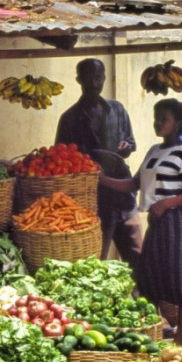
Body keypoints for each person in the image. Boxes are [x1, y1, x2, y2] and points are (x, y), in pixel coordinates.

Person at [100, 98, 182, 346]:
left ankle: (180, 339)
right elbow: (134, 184)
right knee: (149, 275)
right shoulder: (154, 151)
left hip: (177, 221)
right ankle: (156, 331)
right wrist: (103, 180)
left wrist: (167, 203)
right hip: (158, 222)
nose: (158, 123)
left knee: (180, 276)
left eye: (164, 119)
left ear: (178, 123)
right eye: (156, 117)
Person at [55, 58, 143, 270]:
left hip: (123, 198)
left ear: (103, 78)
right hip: (92, 204)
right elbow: (60, 160)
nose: (95, 83)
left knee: (138, 262)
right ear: (79, 80)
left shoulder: (117, 109)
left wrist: (126, 147)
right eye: (89, 78)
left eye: (98, 78)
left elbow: (131, 143)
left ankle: (145, 301)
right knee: (94, 264)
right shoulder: (69, 119)